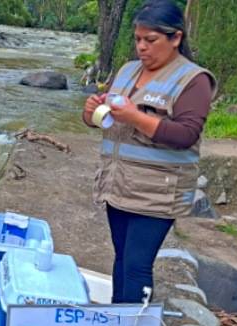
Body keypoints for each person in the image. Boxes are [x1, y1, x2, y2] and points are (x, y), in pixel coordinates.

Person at [83, 0, 217, 303]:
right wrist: (91, 111)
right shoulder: (128, 70)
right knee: (121, 259)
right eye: (138, 39)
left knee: (136, 266)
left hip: (158, 193)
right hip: (118, 185)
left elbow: (186, 134)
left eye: (151, 40)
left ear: (176, 38)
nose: (142, 47)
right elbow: (110, 123)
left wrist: (135, 116)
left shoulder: (194, 80)